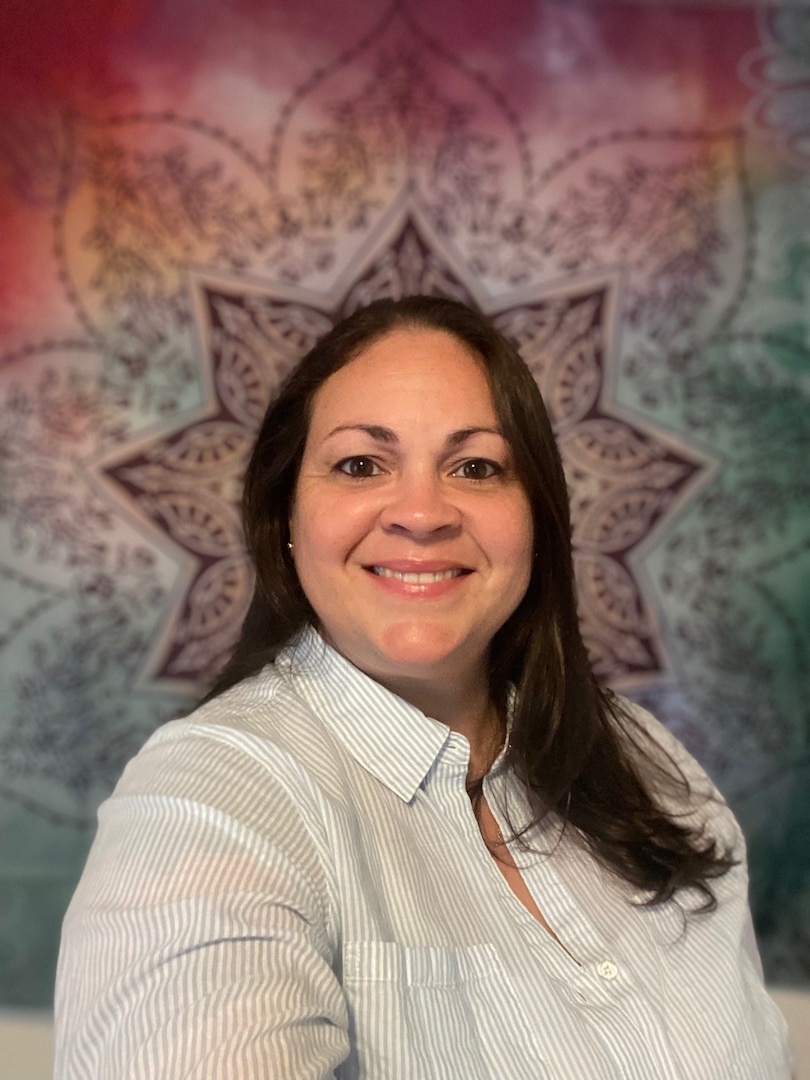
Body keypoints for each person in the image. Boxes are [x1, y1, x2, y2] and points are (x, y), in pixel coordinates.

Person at [54, 295, 792, 1078]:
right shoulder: (212, 798)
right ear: (286, 517)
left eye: (475, 467)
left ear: (535, 516)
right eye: (361, 464)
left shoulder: (651, 765)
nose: (421, 513)